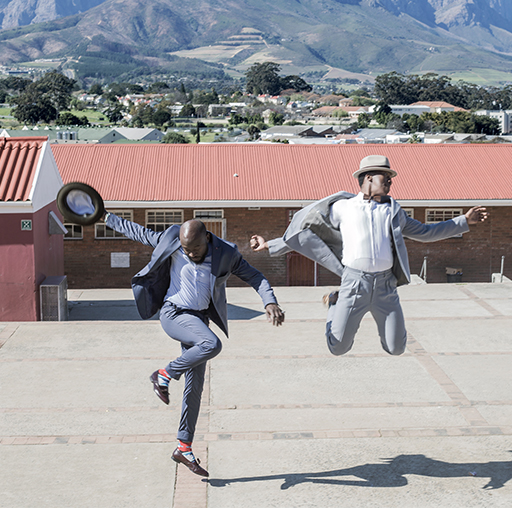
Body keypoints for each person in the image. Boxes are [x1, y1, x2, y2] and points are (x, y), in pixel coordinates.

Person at [250, 154, 488, 358]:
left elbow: (426, 232)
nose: (391, 182)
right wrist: (269, 245)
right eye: (387, 177)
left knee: (396, 348)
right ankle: (334, 303)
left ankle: (371, 320)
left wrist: (463, 221)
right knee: (338, 348)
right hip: (354, 283)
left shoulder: (394, 211)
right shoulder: (341, 208)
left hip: (386, 286)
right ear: (369, 178)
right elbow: (305, 231)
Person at [103, 212, 284, 477]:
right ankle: (163, 374)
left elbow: (256, 276)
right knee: (212, 345)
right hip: (173, 313)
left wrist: (269, 301)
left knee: (195, 387)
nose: (190, 254)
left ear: (207, 239)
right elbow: (138, 231)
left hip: (199, 320)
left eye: (196, 249)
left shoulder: (226, 254)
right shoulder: (173, 240)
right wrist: (105, 217)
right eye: (186, 249)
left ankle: (183, 446)